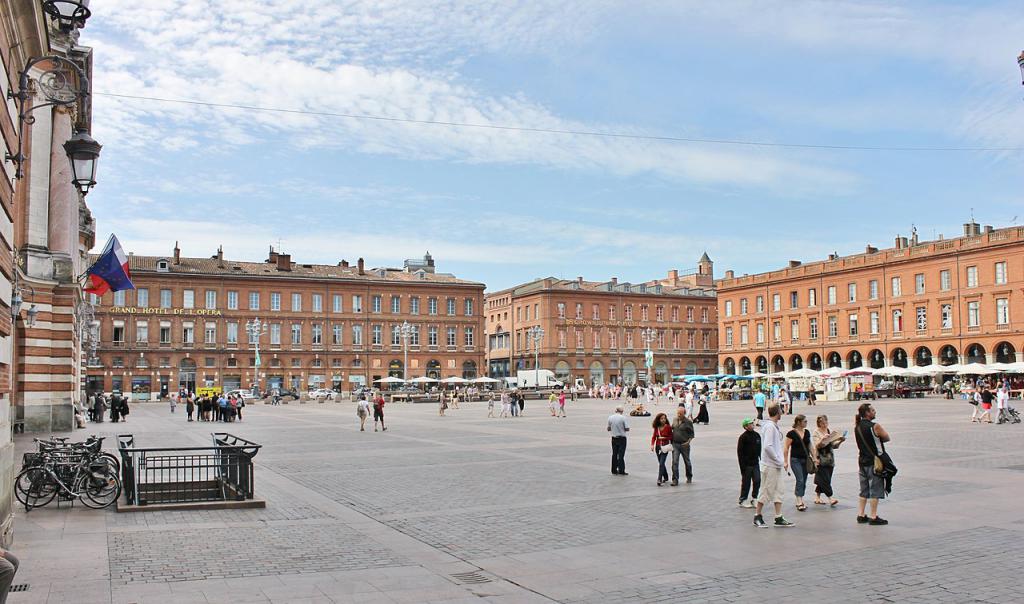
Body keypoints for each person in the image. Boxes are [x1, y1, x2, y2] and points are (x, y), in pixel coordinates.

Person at [753, 404, 794, 528]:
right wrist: (778, 460)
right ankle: (757, 516)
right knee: (766, 490)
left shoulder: (771, 426)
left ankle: (778, 516)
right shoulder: (770, 427)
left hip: (774, 465)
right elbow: (767, 447)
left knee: (778, 490)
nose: (782, 412)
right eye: (781, 410)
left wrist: (780, 461)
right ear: (777, 412)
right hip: (770, 465)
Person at [854, 403, 890, 526]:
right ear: (867, 413)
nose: (875, 412)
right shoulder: (875, 426)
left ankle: (861, 514)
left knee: (863, 489)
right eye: (873, 410)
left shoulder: (857, 426)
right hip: (875, 462)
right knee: (875, 488)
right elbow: (886, 437)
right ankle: (873, 516)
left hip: (862, 461)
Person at [784, 414, 814, 512]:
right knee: (800, 479)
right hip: (795, 460)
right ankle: (799, 501)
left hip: (805, 460)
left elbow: (810, 446)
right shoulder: (791, 434)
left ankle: (800, 497)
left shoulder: (807, 432)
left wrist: (815, 457)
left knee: (804, 480)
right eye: (805, 421)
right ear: (798, 422)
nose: (806, 423)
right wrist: (785, 461)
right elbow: (786, 448)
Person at [812, 414, 844, 506]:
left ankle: (817, 497)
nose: (825, 424)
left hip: (830, 459)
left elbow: (834, 445)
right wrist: (823, 439)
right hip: (821, 458)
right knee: (824, 479)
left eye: (826, 422)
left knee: (824, 479)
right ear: (819, 423)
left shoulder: (829, 431)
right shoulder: (816, 432)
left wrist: (840, 441)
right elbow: (817, 445)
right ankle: (830, 498)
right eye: (822, 422)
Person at [737, 418, 760, 507]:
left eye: (752, 423)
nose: (752, 424)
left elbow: (759, 448)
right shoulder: (743, 437)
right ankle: (743, 499)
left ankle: (754, 498)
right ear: (746, 426)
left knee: (757, 480)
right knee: (746, 482)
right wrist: (742, 466)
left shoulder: (757, 435)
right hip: (747, 465)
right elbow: (740, 452)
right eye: (750, 424)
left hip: (755, 463)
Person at [671, 407, 694, 485]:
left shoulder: (688, 422)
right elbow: (672, 428)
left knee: (687, 461)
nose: (679, 415)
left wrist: (688, 442)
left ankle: (689, 476)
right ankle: (675, 479)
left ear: (684, 413)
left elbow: (692, 434)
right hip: (675, 444)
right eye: (678, 413)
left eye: (680, 413)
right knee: (675, 462)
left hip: (684, 445)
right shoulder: (675, 420)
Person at [650, 412, 672, 486]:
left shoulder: (668, 427)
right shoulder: (657, 428)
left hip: (665, 447)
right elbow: (654, 437)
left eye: (664, 418)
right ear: (658, 420)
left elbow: (671, 437)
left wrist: (664, 438)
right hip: (658, 447)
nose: (663, 420)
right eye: (662, 418)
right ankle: (665, 476)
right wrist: (652, 445)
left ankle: (659, 479)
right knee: (661, 463)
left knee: (661, 463)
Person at [608, 405, 629, 476]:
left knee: (614, 454)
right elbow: (627, 429)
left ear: (615, 410)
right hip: (622, 438)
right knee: (621, 455)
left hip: (613, 438)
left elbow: (608, 428)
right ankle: (621, 470)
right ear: (622, 411)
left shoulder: (610, 417)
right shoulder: (623, 418)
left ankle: (613, 470)